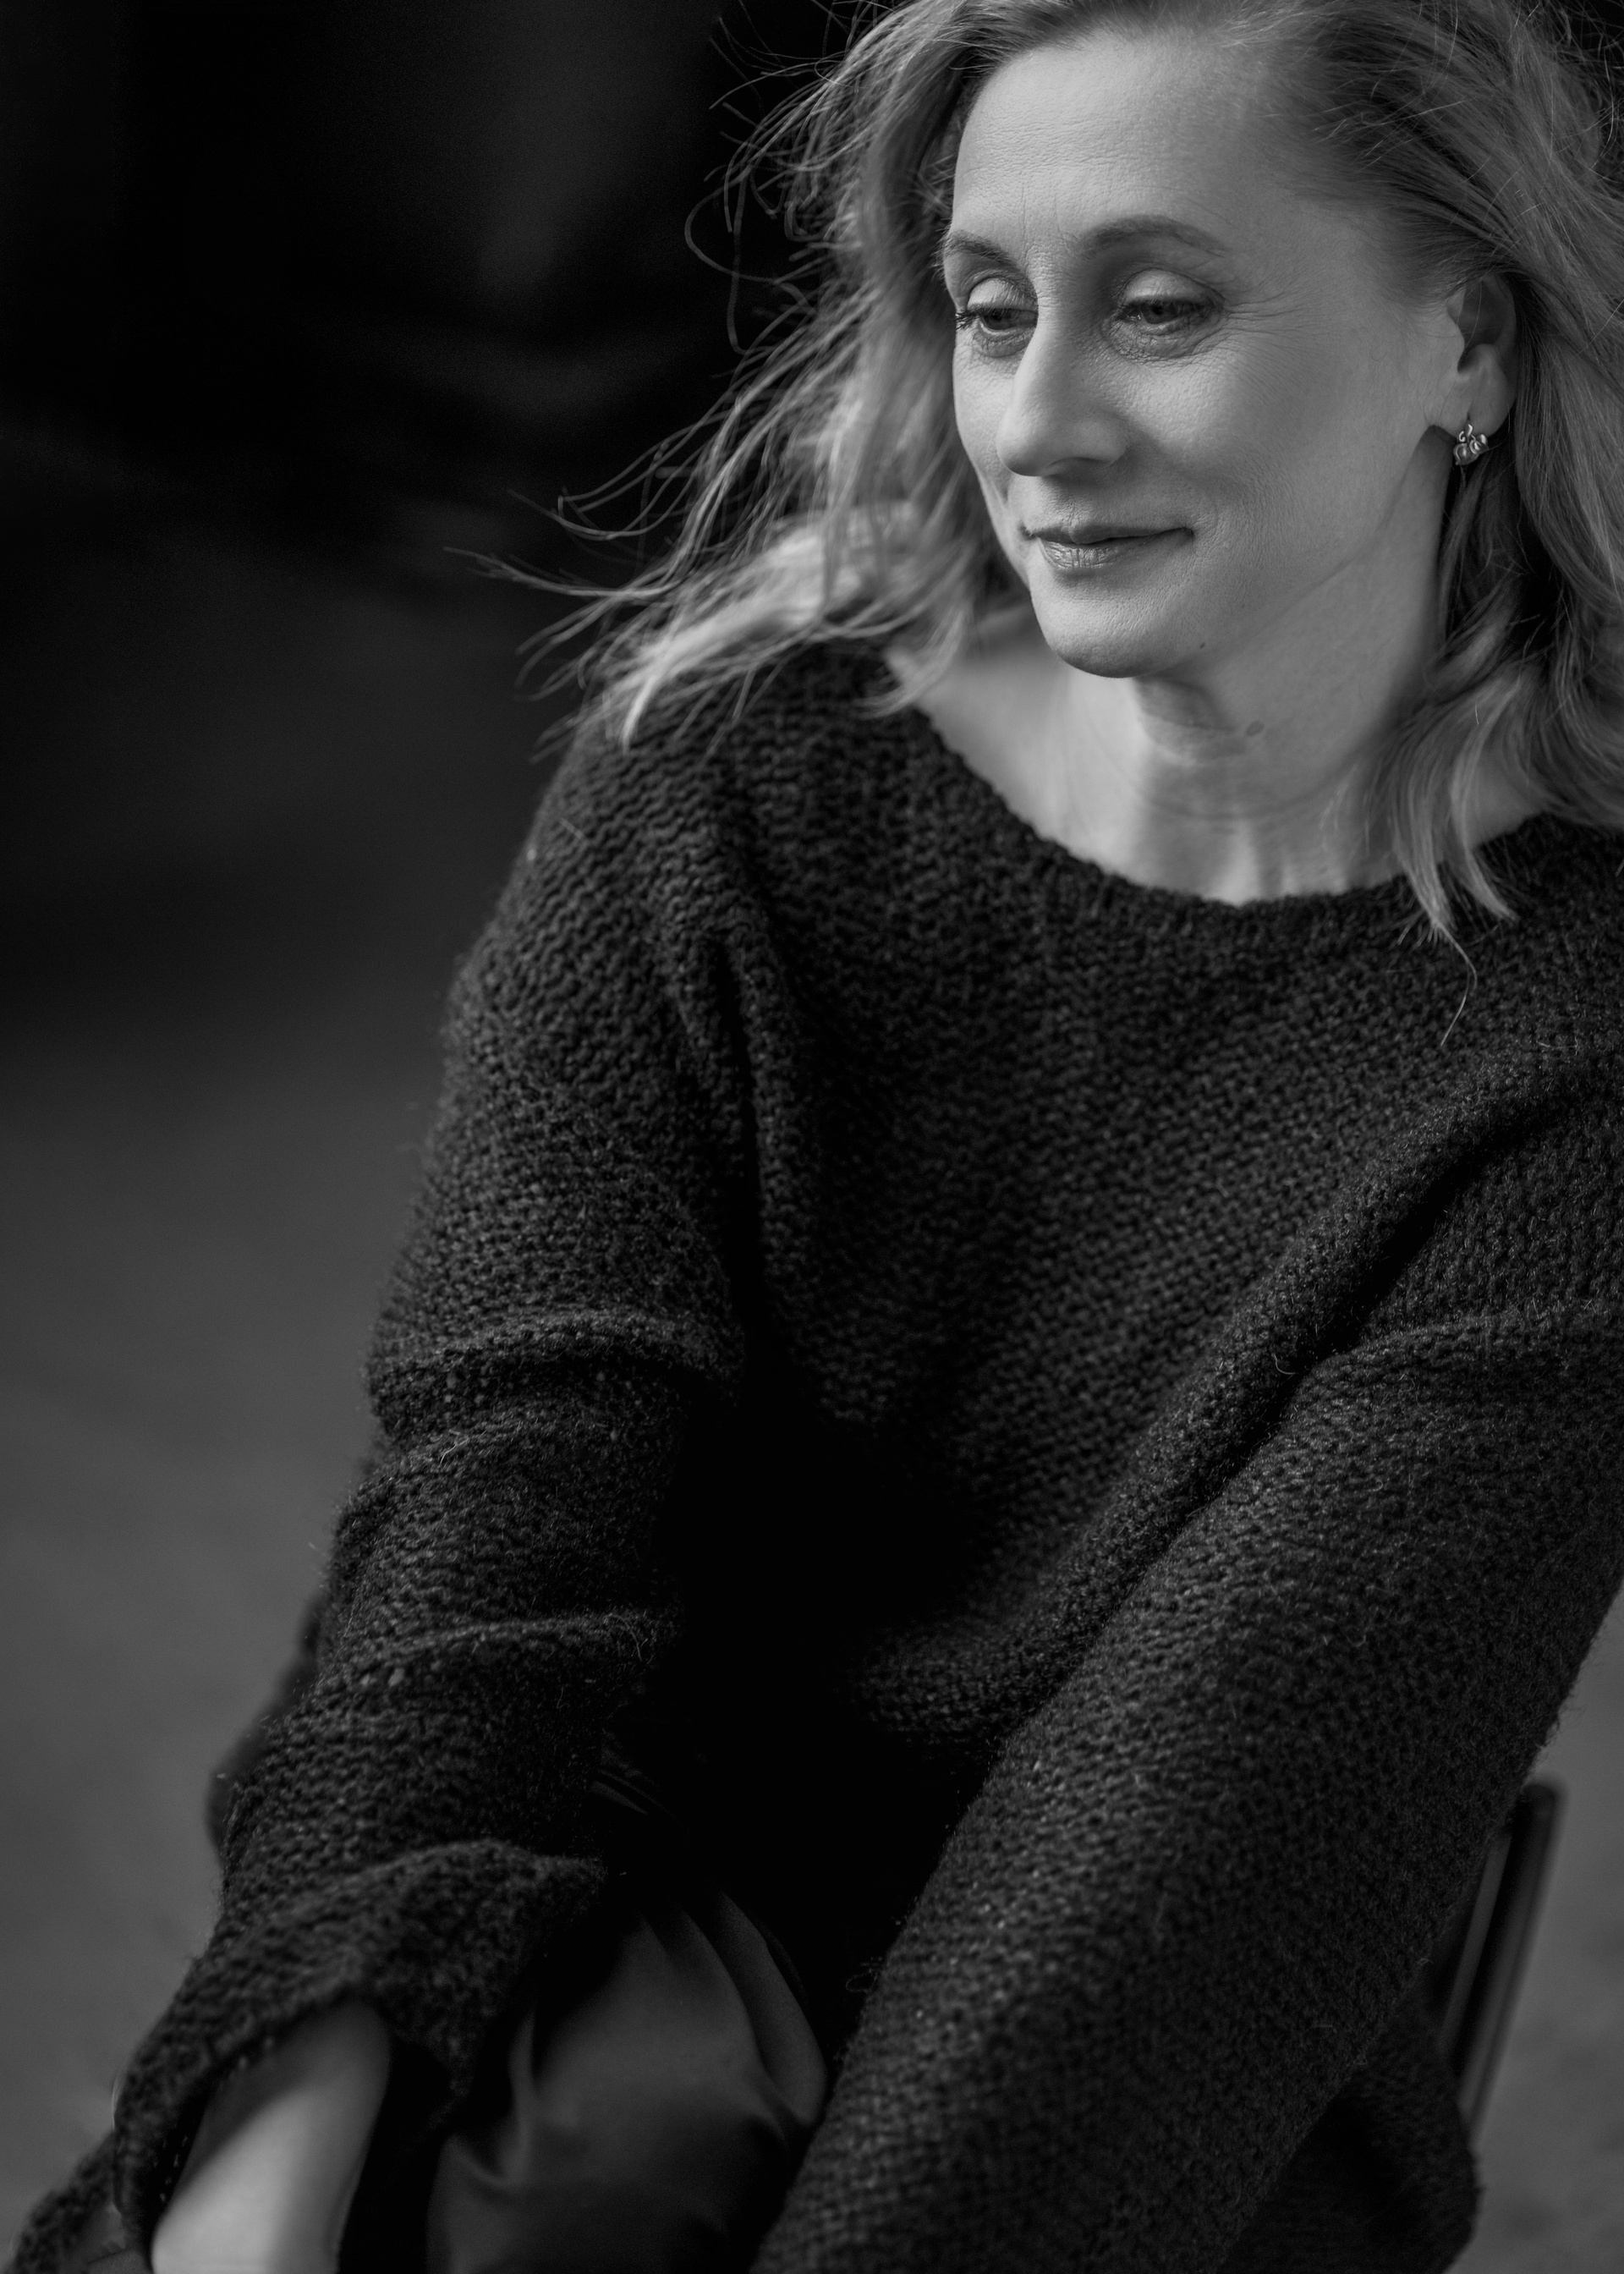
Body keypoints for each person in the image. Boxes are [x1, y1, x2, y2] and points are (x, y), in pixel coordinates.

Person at [15, 0, 1624, 2268]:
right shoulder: (731, 781)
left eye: (1163, 307)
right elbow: (487, 1564)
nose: (1035, 423)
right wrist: (247, 2215)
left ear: (1468, 338)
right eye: (991, 308)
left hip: (1167, 2078)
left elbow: (1176, 1885)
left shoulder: (1577, 1047)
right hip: (602, 1955)